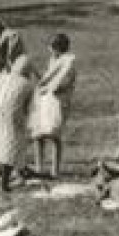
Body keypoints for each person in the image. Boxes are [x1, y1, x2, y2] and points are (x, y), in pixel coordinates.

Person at [0, 31, 37, 191]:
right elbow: (29, 108)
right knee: (11, 142)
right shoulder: (26, 84)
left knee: (1, 140)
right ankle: (6, 181)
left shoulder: (6, 78)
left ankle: (3, 172)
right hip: (11, 113)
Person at [28, 33, 77, 179]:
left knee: (54, 135)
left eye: (51, 48)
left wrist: (47, 88)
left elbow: (62, 83)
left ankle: (55, 170)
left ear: (58, 48)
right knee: (39, 135)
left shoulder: (69, 62)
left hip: (58, 102)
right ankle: (39, 167)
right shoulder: (53, 61)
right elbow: (46, 80)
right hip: (46, 101)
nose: (49, 51)